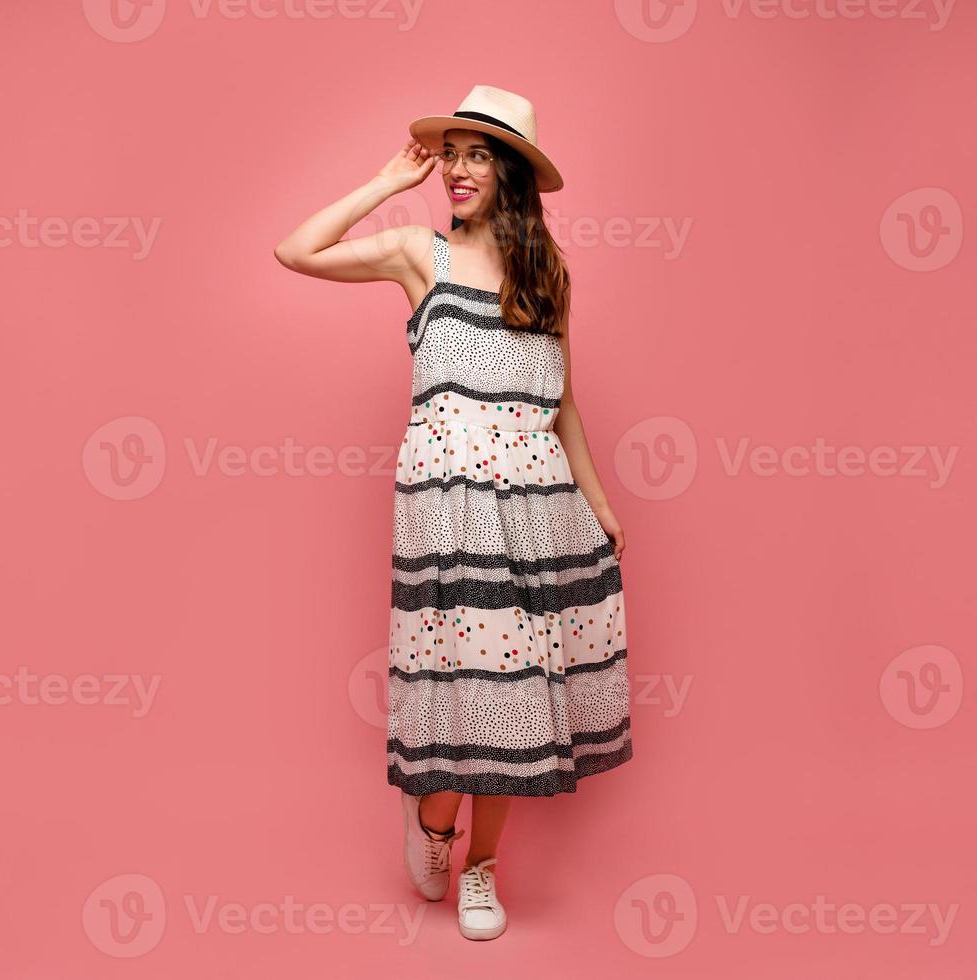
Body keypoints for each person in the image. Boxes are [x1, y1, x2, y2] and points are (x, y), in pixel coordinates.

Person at [274, 85, 633, 941]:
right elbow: (295, 250)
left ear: (510, 173)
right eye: (453, 154)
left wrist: (601, 502)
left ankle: (481, 866)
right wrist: (386, 181)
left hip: (539, 500)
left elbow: (565, 405)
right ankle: (435, 826)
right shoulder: (416, 254)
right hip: (447, 502)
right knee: (462, 682)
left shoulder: (548, 277)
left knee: (520, 689)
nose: (458, 169)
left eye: (478, 155)